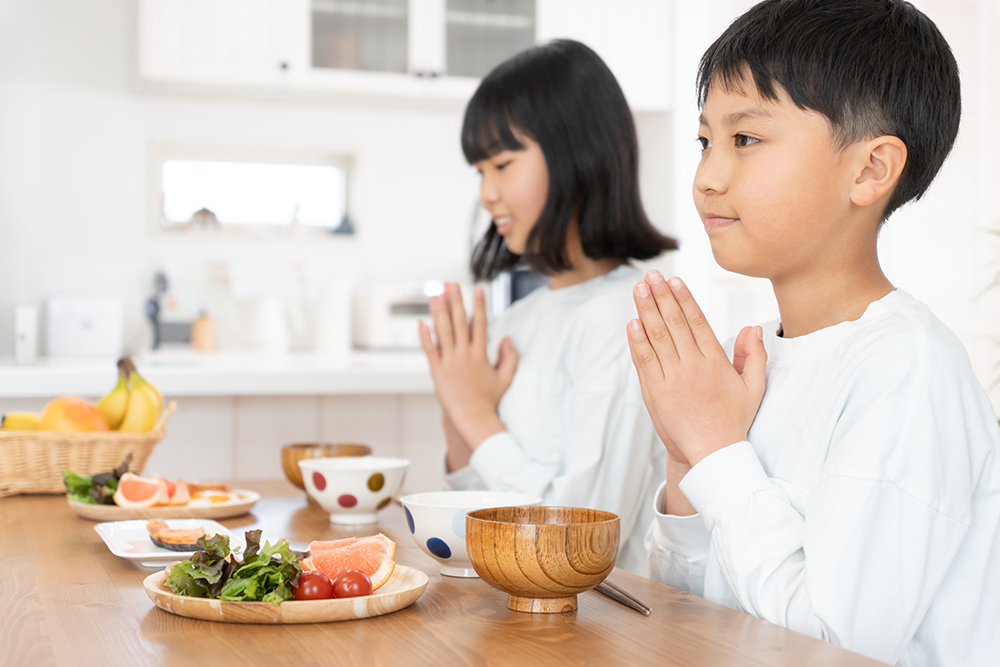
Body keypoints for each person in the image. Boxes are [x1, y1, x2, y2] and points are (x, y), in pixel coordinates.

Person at [627, 1, 1000, 665]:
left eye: (746, 139)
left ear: (870, 169)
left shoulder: (907, 368)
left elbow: (836, 647)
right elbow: (689, 609)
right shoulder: (764, 353)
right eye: (706, 141)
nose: (707, 176)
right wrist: (687, 460)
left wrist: (715, 449)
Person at [418, 39, 677, 576]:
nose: (487, 194)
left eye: (502, 165)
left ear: (577, 154)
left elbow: (578, 540)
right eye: (479, 172)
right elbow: (474, 511)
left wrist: (474, 415)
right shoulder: (520, 320)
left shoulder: (625, 317)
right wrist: (455, 404)